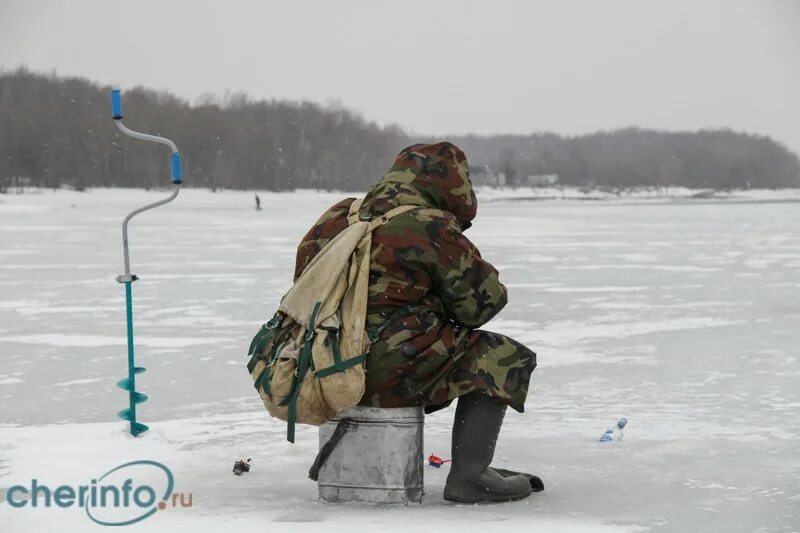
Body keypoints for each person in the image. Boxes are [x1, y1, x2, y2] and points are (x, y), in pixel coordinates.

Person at [293, 142, 540, 503]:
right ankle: (470, 476)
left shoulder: (337, 216)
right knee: (500, 356)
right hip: (384, 371)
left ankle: (346, 458)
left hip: (321, 366)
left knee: (405, 346)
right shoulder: (429, 224)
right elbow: (479, 307)